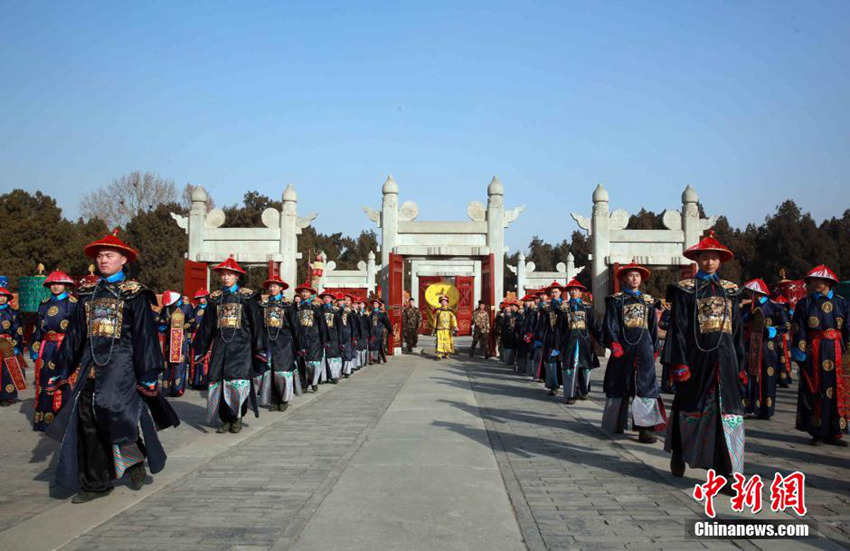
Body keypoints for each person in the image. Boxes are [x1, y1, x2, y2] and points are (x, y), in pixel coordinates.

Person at [46, 230, 179, 503]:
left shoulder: (135, 294)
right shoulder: (86, 294)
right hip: (90, 364)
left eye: (109, 255)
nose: (103, 260)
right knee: (86, 421)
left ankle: (133, 458)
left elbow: (145, 336)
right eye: (100, 256)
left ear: (123, 260)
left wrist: (149, 373)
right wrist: (61, 369)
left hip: (122, 365)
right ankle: (97, 483)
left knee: (113, 412)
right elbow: (75, 335)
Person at [663, 231, 745, 481]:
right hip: (696, 360)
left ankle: (726, 471)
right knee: (689, 406)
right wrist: (679, 363)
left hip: (726, 359)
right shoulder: (685, 290)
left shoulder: (731, 291)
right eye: (705, 258)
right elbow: (677, 329)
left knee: (728, 412)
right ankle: (679, 451)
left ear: (721, 261)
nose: (710, 262)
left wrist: (740, 363)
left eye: (714, 258)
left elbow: (739, 330)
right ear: (697, 259)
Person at [192, 256, 267, 434]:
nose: (226, 278)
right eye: (223, 274)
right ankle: (225, 418)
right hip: (220, 345)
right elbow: (207, 326)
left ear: (237, 277)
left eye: (230, 275)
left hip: (241, 346)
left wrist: (259, 347)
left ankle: (237, 417)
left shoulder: (247, 297)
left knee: (237, 382)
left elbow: (256, 323)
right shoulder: (215, 299)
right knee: (219, 380)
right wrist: (201, 348)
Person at [601, 263, 663, 443]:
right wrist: (614, 344)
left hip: (643, 347)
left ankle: (645, 429)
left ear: (641, 279)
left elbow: (653, 327)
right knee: (619, 383)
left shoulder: (649, 301)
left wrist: (654, 348)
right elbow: (610, 324)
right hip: (623, 348)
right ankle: (615, 423)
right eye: (630, 275)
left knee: (645, 386)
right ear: (624, 279)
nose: (634, 278)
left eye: (637, 275)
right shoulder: (616, 300)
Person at [790, 265, 849, 446]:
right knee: (815, 389)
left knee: (838, 390)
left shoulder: (841, 302)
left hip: (837, 350)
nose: (815, 284)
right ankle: (817, 432)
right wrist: (799, 351)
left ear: (828, 283)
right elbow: (798, 329)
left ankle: (835, 432)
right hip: (814, 350)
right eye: (812, 281)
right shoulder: (805, 303)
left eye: (819, 281)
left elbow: (847, 328)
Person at [30, 270, 78, 430]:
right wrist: (35, 347)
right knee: (44, 381)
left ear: (66, 285)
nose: (56, 286)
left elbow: (77, 330)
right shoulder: (44, 304)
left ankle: (63, 421)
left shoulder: (72, 303)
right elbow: (37, 328)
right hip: (46, 348)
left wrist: (74, 349)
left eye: (59, 283)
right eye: (53, 284)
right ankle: (44, 420)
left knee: (63, 380)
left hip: (64, 347)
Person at [741, 279, 789, 420]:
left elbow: (786, 325)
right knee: (749, 376)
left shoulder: (775, 307)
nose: (749, 294)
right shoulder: (748, 307)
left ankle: (766, 409)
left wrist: (772, 331)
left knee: (768, 375)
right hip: (750, 345)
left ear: (758, 293)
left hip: (767, 347)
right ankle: (749, 407)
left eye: (751, 292)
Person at [257, 275, 299, 412]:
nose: (271, 288)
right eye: (270, 286)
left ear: (281, 288)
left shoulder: (288, 304)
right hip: (268, 341)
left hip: (284, 342)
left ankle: (284, 399)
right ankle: (273, 399)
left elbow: (294, 325)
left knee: (282, 371)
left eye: (274, 286)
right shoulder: (263, 304)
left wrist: (299, 345)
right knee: (270, 371)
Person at [561, 279, 602, 404]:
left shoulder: (588, 307)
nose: (573, 292)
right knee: (570, 367)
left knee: (585, 367)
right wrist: (557, 346)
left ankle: (583, 391)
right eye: (571, 290)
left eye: (576, 290)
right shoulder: (563, 308)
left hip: (584, 342)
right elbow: (559, 328)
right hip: (569, 342)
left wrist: (603, 340)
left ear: (580, 292)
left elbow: (595, 326)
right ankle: (570, 395)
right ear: (569, 292)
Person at [157, 290, 195, 398]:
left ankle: (177, 389)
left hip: (180, 338)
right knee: (167, 363)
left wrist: (183, 327)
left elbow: (192, 320)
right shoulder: (167, 308)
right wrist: (162, 323)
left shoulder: (186, 307)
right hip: (169, 338)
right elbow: (162, 319)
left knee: (179, 363)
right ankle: (166, 388)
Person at [293, 282, 326, 391]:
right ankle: (304, 383)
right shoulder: (296, 307)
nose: (304, 293)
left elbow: (322, 324)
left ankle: (314, 381)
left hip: (313, 338)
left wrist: (323, 339)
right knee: (301, 361)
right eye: (302, 292)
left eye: (306, 292)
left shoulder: (315, 307)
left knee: (313, 362)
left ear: (311, 293)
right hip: (300, 338)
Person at [0, 287, 25, 407]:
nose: (1, 298)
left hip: (7, 343)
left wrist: (15, 346)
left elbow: (18, 331)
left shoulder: (13, 313)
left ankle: (7, 396)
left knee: (7, 370)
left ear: (8, 298)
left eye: (4, 296)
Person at [539, 284, 564, 395]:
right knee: (551, 360)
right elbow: (542, 323)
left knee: (566, 362)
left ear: (560, 293)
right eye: (552, 292)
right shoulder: (546, 307)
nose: (554, 294)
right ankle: (554, 385)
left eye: (556, 292)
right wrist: (539, 337)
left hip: (564, 337)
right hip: (551, 337)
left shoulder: (566, 305)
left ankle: (573, 387)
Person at [319, 291, 343, 384]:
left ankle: (334, 375)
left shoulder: (335, 311)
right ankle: (323, 376)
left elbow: (339, 326)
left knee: (333, 356)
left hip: (333, 336)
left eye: (328, 297)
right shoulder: (318, 310)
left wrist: (340, 340)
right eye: (324, 297)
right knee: (322, 356)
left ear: (332, 299)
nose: (326, 299)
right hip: (321, 335)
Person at [190, 288, 210, 389]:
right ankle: (196, 381)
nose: (201, 300)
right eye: (200, 298)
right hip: (196, 336)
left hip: (206, 336)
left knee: (206, 359)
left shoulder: (210, 308)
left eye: (203, 297)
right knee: (196, 358)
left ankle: (205, 381)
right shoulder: (195, 309)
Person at [433, 295, 458, 360]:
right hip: (440, 329)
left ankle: (446, 353)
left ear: (447, 302)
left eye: (445, 301)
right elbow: (435, 319)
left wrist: (455, 326)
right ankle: (439, 354)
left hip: (448, 329)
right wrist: (434, 327)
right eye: (442, 301)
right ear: (440, 303)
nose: (443, 302)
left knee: (447, 341)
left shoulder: (450, 311)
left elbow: (453, 319)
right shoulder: (438, 311)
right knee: (440, 341)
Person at [368, 298, 392, 364]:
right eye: (373, 304)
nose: (374, 305)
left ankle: (379, 358)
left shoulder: (381, 314)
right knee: (371, 344)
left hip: (379, 331)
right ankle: (371, 358)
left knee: (379, 345)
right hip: (372, 331)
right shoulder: (371, 314)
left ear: (378, 305)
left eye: (376, 303)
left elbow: (387, 322)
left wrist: (390, 330)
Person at [340, 294, 358, 378]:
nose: (346, 301)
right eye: (345, 300)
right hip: (340, 333)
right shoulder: (340, 311)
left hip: (348, 334)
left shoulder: (352, 313)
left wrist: (354, 337)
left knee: (347, 352)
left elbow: (354, 326)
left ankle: (347, 371)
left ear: (351, 302)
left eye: (348, 300)